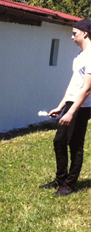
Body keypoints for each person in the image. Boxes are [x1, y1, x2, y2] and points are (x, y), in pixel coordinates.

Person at [39, 19, 91, 196]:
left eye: (74, 33)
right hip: (71, 104)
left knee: (75, 144)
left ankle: (69, 185)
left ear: (85, 33)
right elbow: (74, 84)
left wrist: (71, 112)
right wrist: (61, 106)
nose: (71, 36)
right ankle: (60, 179)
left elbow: (86, 88)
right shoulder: (79, 56)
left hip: (82, 106)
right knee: (59, 141)